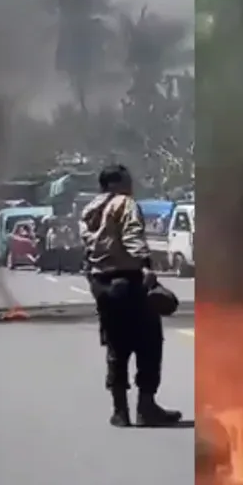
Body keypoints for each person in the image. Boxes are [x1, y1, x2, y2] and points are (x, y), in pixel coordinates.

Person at [81, 164, 182, 427]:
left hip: (102, 284)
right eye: (127, 180)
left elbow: (89, 248)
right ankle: (146, 408)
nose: (131, 186)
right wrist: (146, 265)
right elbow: (132, 237)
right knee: (148, 343)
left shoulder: (89, 209)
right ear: (115, 183)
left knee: (116, 345)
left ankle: (120, 411)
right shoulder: (124, 204)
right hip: (129, 281)